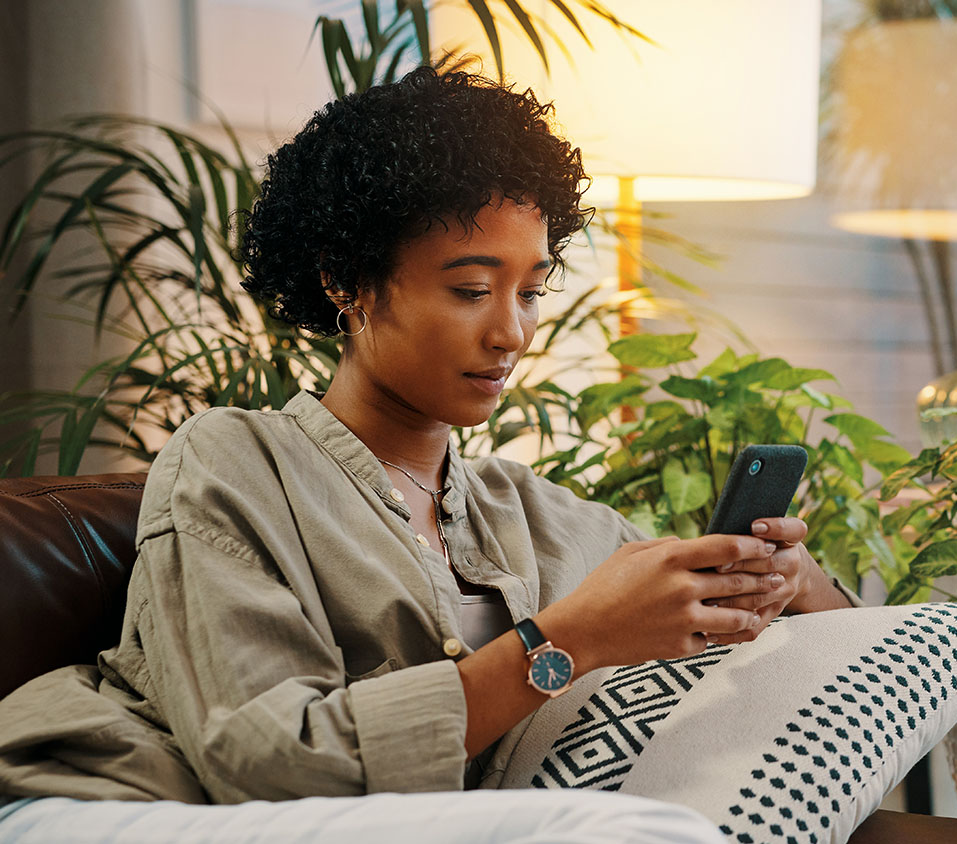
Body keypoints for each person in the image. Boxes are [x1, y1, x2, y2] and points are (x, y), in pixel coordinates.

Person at [0, 67, 854, 843]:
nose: (512, 331)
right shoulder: (233, 461)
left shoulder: (535, 513)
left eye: (530, 290)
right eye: (471, 290)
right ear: (347, 279)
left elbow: (807, 634)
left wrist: (789, 576)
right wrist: (562, 642)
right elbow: (265, 762)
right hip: (130, 809)